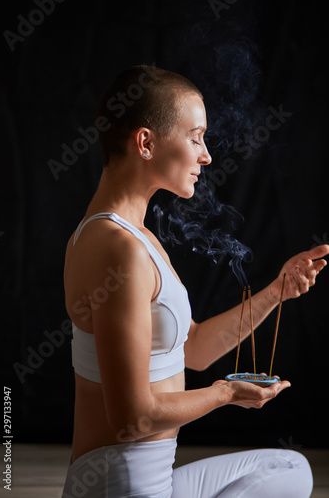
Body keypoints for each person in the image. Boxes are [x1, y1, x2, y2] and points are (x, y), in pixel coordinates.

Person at [61, 65, 328, 498]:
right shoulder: (116, 247)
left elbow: (194, 350)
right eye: (195, 136)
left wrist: (278, 291)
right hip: (120, 486)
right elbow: (131, 418)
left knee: (289, 467)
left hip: (152, 480)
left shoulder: (137, 236)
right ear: (145, 143)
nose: (205, 155)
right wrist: (224, 394)